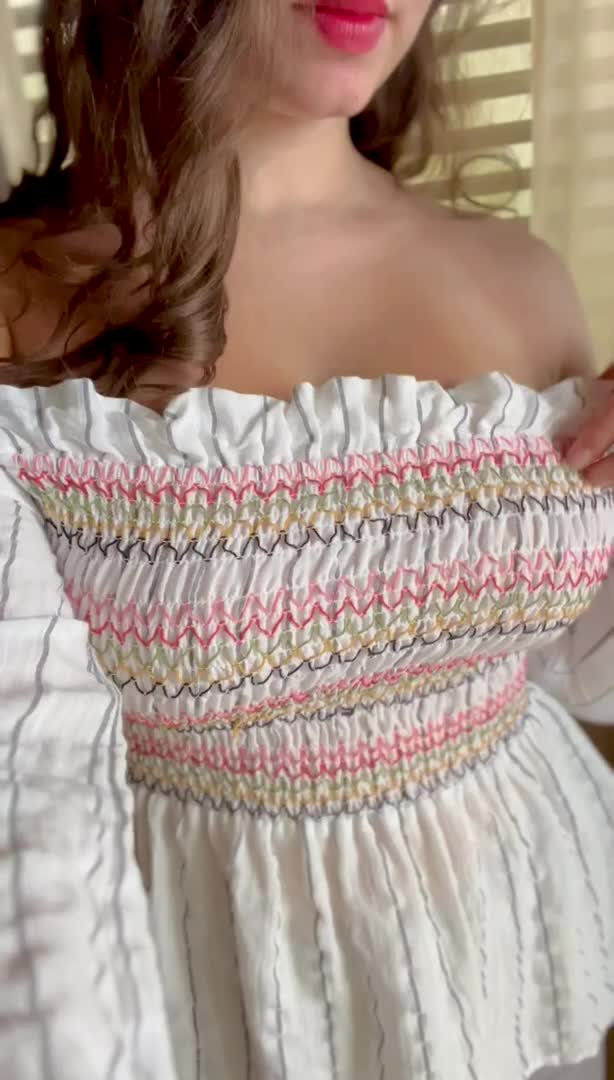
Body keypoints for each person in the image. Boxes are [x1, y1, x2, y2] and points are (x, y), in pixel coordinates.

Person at [0, 1, 612, 1078]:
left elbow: (585, 669)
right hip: (193, 997)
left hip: (521, 955)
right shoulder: (19, 302)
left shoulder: (523, 274)